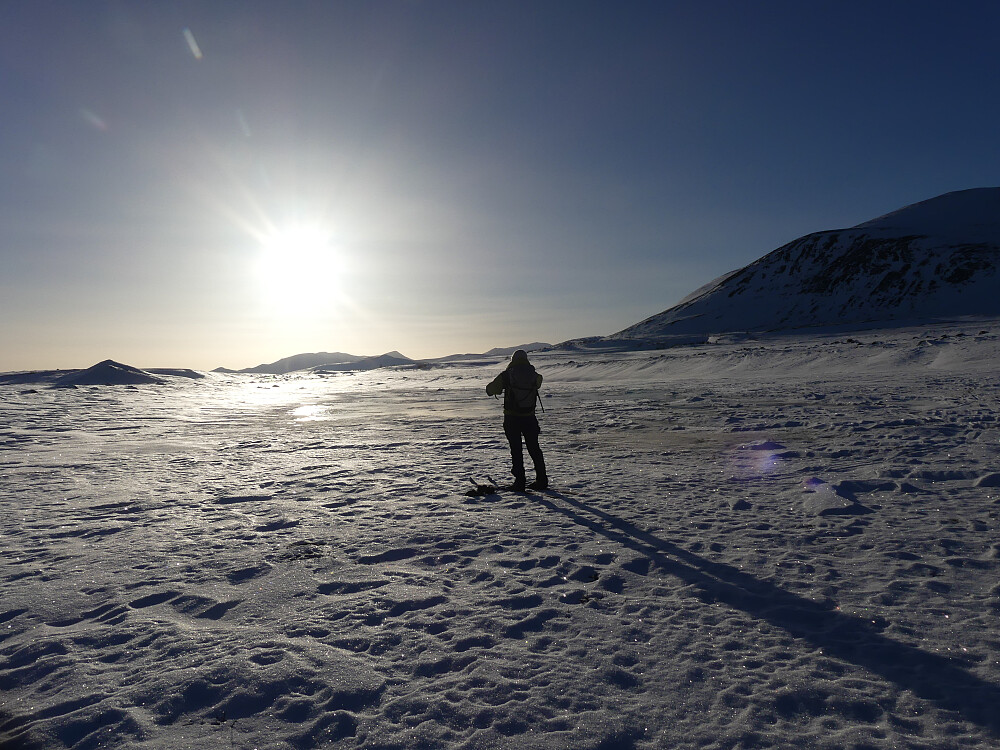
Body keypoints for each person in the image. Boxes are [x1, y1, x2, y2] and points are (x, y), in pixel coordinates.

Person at [486, 349, 548, 491]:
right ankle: (542, 480)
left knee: (516, 449)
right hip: (530, 418)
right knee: (534, 449)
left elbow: (490, 389)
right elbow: (539, 381)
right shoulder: (534, 375)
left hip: (512, 418)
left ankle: (520, 481)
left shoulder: (507, 375)